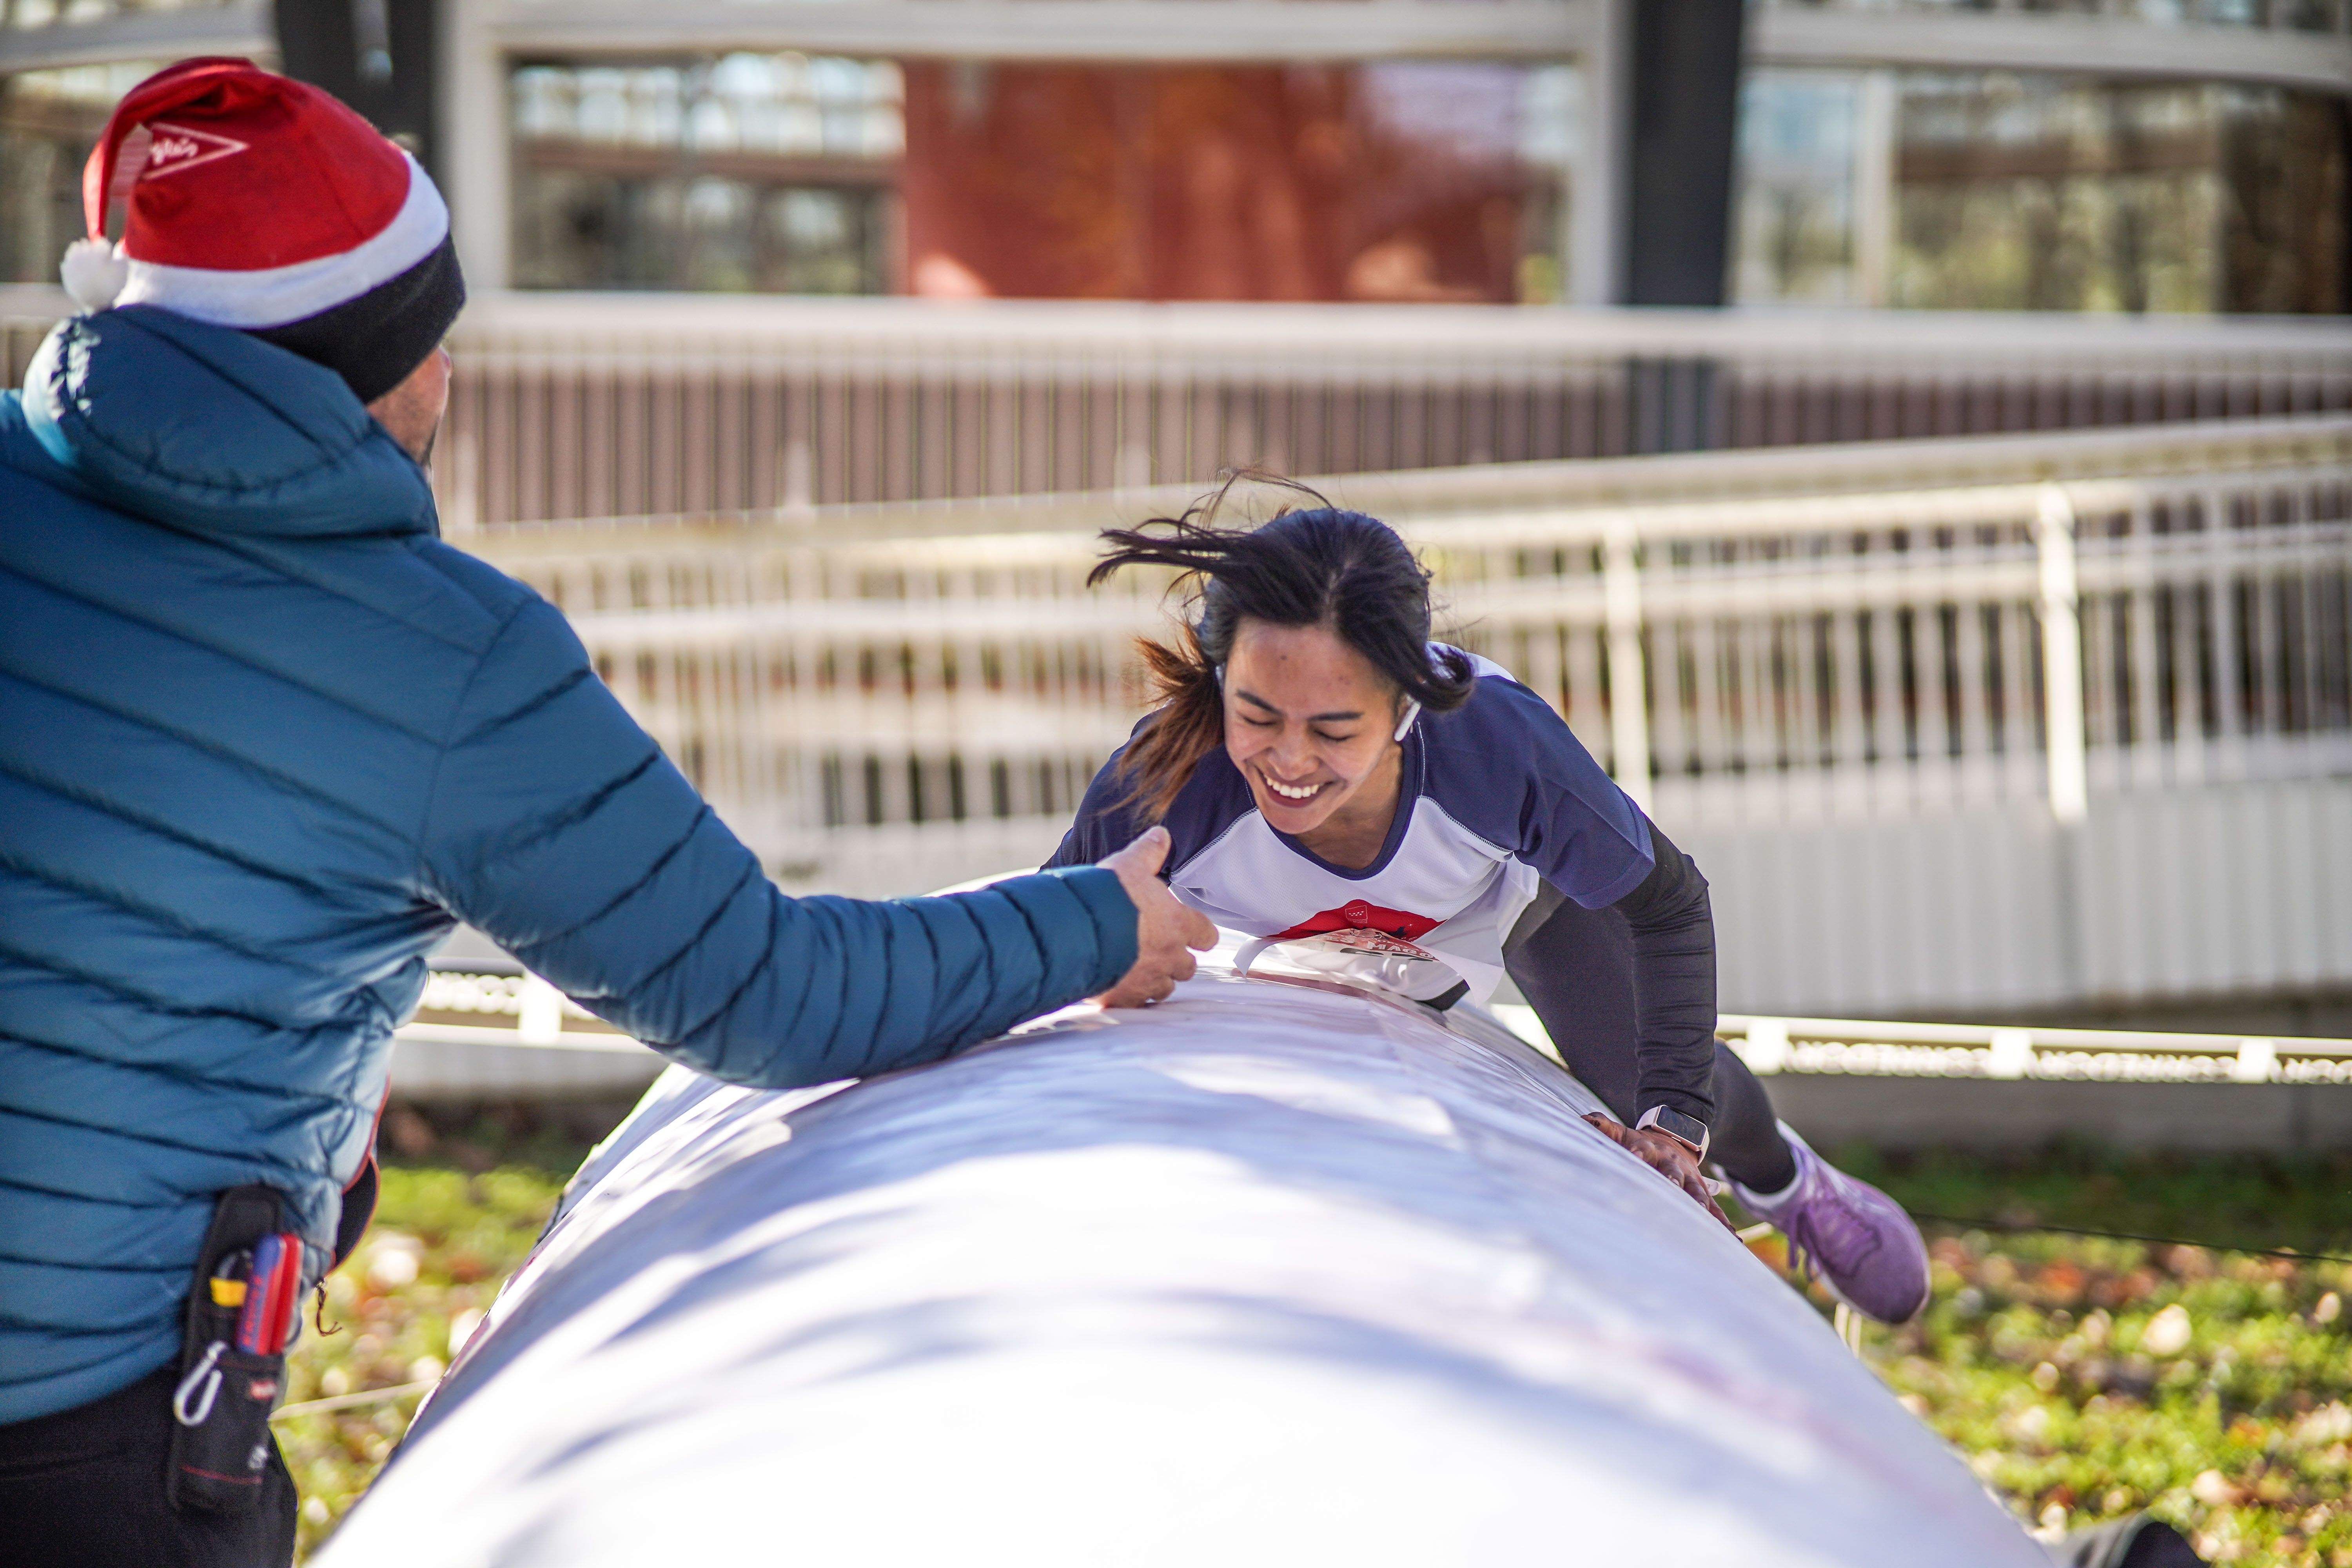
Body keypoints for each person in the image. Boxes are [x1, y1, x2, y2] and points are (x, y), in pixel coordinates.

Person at [0, 59, 1212, 1566]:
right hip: (86, 1444)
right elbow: (767, 992)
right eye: (438, 336)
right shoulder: (442, 659)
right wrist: (1097, 920)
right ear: (382, 364)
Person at [1044, 492, 1932, 1325]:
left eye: (1334, 728)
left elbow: (1668, 904)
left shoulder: (1497, 750)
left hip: (1493, 901)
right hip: (1278, 948)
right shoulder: (1167, 778)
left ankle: (1789, 1178)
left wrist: (1672, 1122)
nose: (1288, 759)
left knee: (1637, 1071)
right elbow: (1038, 929)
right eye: (1257, 713)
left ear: (1404, 704)